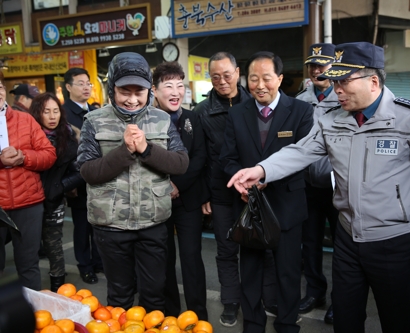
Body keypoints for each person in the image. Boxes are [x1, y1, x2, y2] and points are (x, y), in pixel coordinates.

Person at [227, 42, 410, 333]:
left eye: (345, 82)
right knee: (346, 320)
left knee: (396, 320)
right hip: (347, 238)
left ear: (373, 81)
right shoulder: (331, 119)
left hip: (394, 239)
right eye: (335, 81)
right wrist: (261, 170)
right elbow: (300, 152)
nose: (337, 90)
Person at [77, 52, 189, 312]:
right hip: (110, 226)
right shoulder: (93, 121)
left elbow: (181, 163)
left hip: (153, 224)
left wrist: (146, 149)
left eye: (139, 91)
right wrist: (124, 151)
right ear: (111, 89)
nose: (132, 99)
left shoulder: (162, 119)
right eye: (124, 91)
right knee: (119, 296)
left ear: (149, 90)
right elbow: (87, 171)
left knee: (154, 294)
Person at [220, 51, 314, 333]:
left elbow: (306, 158)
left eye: (267, 78)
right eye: (254, 78)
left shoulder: (300, 111)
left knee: (287, 271)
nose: (260, 85)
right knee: (250, 271)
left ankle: (286, 323)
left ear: (280, 79)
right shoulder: (237, 114)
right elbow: (227, 159)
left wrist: (266, 177)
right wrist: (241, 181)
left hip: (287, 204)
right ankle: (253, 323)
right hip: (249, 207)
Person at [194, 52, 277, 326]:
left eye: (226, 75)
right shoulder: (202, 112)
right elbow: (201, 157)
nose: (221, 81)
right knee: (226, 249)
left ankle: (267, 297)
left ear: (238, 73)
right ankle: (231, 301)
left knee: (261, 246)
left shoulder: (255, 102)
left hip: (255, 189)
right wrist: (205, 195)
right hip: (220, 192)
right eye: (215, 76)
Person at [152, 61, 208, 320]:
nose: (176, 91)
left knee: (191, 258)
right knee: (163, 260)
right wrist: (166, 184)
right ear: (154, 90)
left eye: (180, 85)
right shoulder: (146, 121)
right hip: (156, 200)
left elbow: (199, 157)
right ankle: (170, 314)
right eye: (168, 86)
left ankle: (198, 315)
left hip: (188, 200)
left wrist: (178, 184)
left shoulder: (193, 118)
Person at [295, 42, 340, 323]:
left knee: (342, 246)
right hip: (308, 185)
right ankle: (315, 291)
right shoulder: (300, 100)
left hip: (339, 187)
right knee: (309, 242)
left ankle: (341, 299)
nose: (317, 69)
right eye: (313, 65)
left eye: (323, 64)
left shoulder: (345, 96)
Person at [0, 71, 57, 290]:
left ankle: (33, 318)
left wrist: (24, 157)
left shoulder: (25, 120)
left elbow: (48, 154)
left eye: (0, 87)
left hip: (28, 204)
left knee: (29, 265)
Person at [28, 92, 82, 292]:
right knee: (28, 247)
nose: (52, 116)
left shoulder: (68, 137)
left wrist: (59, 187)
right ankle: (29, 292)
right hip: (28, 202)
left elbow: (79, 172)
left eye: (56, 111)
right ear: (37, 114)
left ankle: (57, 288)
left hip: (54, 200)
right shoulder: (27, 136)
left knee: (54, 245)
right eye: (46, 112)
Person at [63, 67, 102, 284]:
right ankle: (85, 266)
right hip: (78, 180)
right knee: (82, 226)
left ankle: (98, 261)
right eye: (81, 83)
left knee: (98, 223)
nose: (86, 87)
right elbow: (64, 152)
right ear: (68, 87)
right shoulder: (63, 115)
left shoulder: (95, 111)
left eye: (88, 83)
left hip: (97, 177)